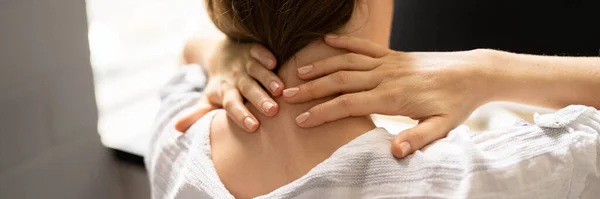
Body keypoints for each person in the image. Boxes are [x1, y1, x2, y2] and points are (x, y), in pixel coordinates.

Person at [146, 0, 600, 198]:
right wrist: (486, 70)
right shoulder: (474, 180)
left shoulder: (175, 138)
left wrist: (220, 49)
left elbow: (191, 48)